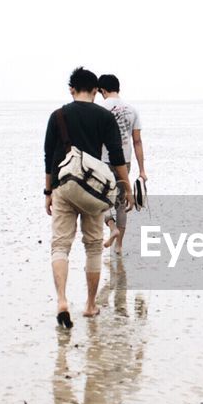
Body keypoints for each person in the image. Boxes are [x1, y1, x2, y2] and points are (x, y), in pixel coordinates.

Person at [43, 67, 134, 326]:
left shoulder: (57, 115)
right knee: (93, 246)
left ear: (71, 89)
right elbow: (116, 156)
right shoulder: (104, 117)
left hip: (63, 186)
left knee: (60, 245)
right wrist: (126, 188)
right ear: (95, 91)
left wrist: (48, 192)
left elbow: (49, 157)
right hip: (93, 190)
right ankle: (90, 305)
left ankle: (62, 300)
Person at [96, 74, 147, 255]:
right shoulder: (132, 110)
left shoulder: (99, 109)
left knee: (101, 200)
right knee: (121, 202)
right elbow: (137, 142)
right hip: (125, 162)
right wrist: (142, 170)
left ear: (102, 90)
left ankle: (111, 227)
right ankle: (119, 246)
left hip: (104, 161)